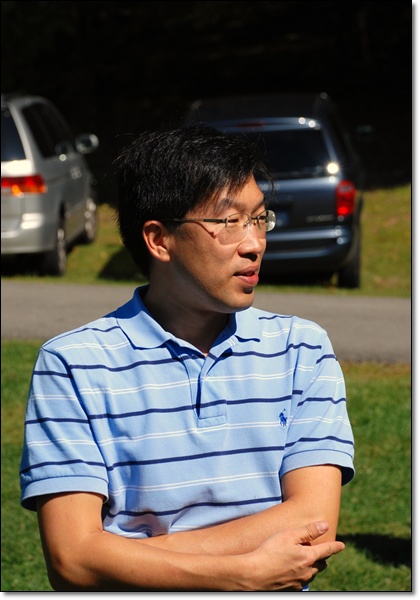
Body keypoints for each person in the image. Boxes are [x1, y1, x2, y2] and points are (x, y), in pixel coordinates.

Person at [20, 124, 355, 592]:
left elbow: (313, 523)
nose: (254, 243)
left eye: (259, 218)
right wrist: (238, 575)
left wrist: (121, 553)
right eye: (228, 221)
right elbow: (72, 561)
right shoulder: (72, 365)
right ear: (159, 240)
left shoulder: (301, 349)